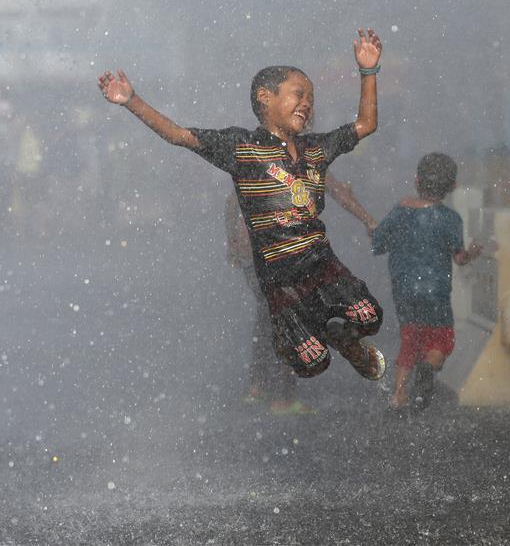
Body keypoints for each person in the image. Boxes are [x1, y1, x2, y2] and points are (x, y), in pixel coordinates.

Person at [99, 28, 387, 386]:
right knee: (312, 363)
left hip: (322, 264)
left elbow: (366, 124)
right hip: (279, 278)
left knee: (369, 317)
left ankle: (346, 341)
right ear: (265, 98)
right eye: (299, 94)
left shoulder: (316, 148)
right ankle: (302, 337)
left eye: (311, 98)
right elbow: (179, 135)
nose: (308, 103)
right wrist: (132, 100)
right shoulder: (242, 147)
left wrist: (368, 72)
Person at [226, 174, 379, 414]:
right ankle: (282, 397)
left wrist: (232, 241)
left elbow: (234, 199)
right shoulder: (300, 156)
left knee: (268, 314)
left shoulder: (261, 152)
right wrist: (369, 220)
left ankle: (258, 386)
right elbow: (339, 192)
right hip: (280, 252)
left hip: (253, 251)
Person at [370, 152, 482, 412]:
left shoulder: (399, 211)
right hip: (436, 292)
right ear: (452, 186)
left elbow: (379, 244)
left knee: (410, 340)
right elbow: (459, 258)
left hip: (405, 290)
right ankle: (428, 368)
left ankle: (398, 395)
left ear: (417, 180)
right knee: (442, 339)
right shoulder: (450, 219)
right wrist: (473, 253)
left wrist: (373, 229)